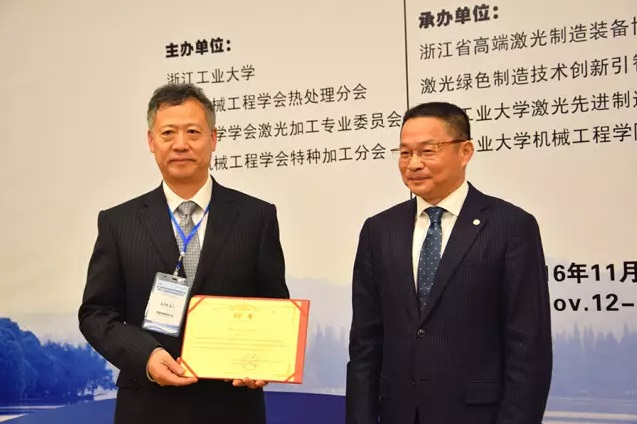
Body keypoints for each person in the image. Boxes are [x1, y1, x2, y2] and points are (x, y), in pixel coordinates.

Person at [78, 82, 289, 424]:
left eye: (193, 132)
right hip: (147, 406)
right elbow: (96, 313)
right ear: (151, 141)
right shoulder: (119, 222)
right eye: (168, 133)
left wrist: (262, 360)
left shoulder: (256, 217)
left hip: (232, 406)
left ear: (213, 139)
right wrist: (146, 356)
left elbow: (274, 308)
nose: (180, 144)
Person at [345, 101, 552, 424]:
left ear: (465, 151)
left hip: (477, 415)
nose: (413, 164)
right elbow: (365, 342)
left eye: (427, 151)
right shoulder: (380, 230)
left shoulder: (510, 226)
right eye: (404, 153)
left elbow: (528, 345)